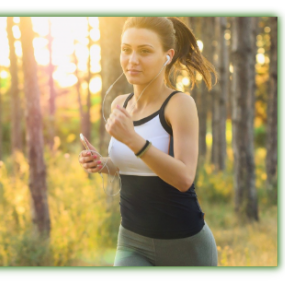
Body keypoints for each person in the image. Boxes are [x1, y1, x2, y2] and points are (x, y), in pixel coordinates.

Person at [78, 17, 218, 266]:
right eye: (126, 49)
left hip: (184, 244)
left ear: (167, 55)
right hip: (132, 241)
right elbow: (132, 165)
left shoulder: (179, 105)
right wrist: (102, 163)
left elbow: (184, 178)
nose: (132, 60)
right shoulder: (119, 103)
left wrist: (133, 140)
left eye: (145, 51)